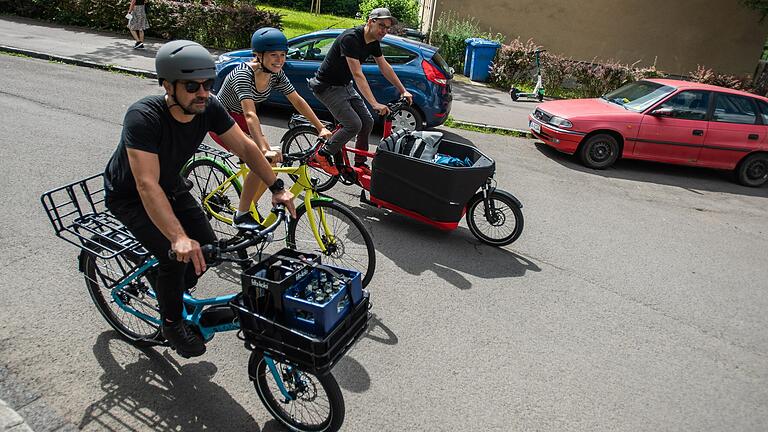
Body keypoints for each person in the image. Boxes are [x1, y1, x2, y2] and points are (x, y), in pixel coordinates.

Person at [103, 40, 296, 358]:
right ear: (168, 85)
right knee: (172, 256)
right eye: (192, 85)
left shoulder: (209, 107)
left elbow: (247, 148)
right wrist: (177, 237)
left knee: (208, 252)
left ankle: (168, 288)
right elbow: (147, 184)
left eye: (208, 84)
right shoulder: (143, 117)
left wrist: (277, 187)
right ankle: (170, 322)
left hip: (172, 186)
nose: (203, 92)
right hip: (130, 196)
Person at [213, 27, 332, 230]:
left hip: (243, 120)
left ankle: (249, 205)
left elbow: (298, 101)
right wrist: (263, 149)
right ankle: (241, 215)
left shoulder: (276, 74)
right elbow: (250, 114)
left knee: (271, 167)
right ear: (258, 56)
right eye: (273, 55)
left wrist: (320, 127)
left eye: (283, 55)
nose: (279, 60)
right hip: (221, 121)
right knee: (261, 159)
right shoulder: (243, 75)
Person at [308, 7, 413, 176]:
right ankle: (322, 154)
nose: (384, 31)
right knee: (353, 124)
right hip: (326, 87)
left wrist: (403, 90)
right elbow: (357, 74)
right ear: (370, 21)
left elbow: (384, 66)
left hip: (343, 85)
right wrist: (374, 103)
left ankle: (360, 163)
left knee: (367, 121)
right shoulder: (351, 39)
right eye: (381, 26)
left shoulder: (373, 42)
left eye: (387, 28)